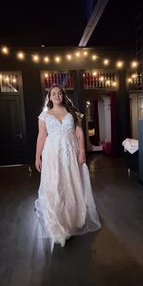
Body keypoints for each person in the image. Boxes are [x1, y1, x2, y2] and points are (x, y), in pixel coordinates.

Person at [35, 84, 101, 247]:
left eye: (60, 93)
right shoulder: (44, 116)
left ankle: (73, 218)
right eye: (54, 94)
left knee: (71, 183)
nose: (57, 96)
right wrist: (38, 157)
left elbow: (79, 133)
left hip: (70, 152)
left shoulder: (72, 112)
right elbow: (41, 137)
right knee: (56, 184)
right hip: (52, 154)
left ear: (63, 96)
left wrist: (83, 151)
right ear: (49, 97)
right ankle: (57, 222)